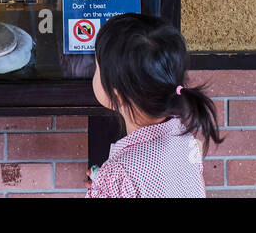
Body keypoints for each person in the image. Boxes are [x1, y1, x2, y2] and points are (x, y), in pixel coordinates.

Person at [87, 14, 222, 198]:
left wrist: (107, 184)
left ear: (117, 94)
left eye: (97, 67)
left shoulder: (118, 174)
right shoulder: (188, 142)